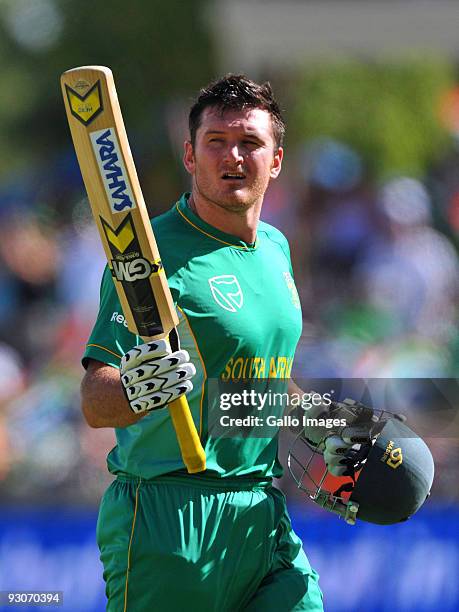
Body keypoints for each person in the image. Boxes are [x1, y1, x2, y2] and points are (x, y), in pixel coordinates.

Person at [81, 74, 324, 611]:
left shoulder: (277, 249)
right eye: (216, 142)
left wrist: (325, 428)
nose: (232, 156)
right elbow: (95, 401)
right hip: (170, 520)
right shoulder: (149, 257)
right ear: (190, 156)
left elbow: (261, 376)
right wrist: (138, 387)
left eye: (249, 143)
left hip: (262, 511)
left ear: (276, 161)